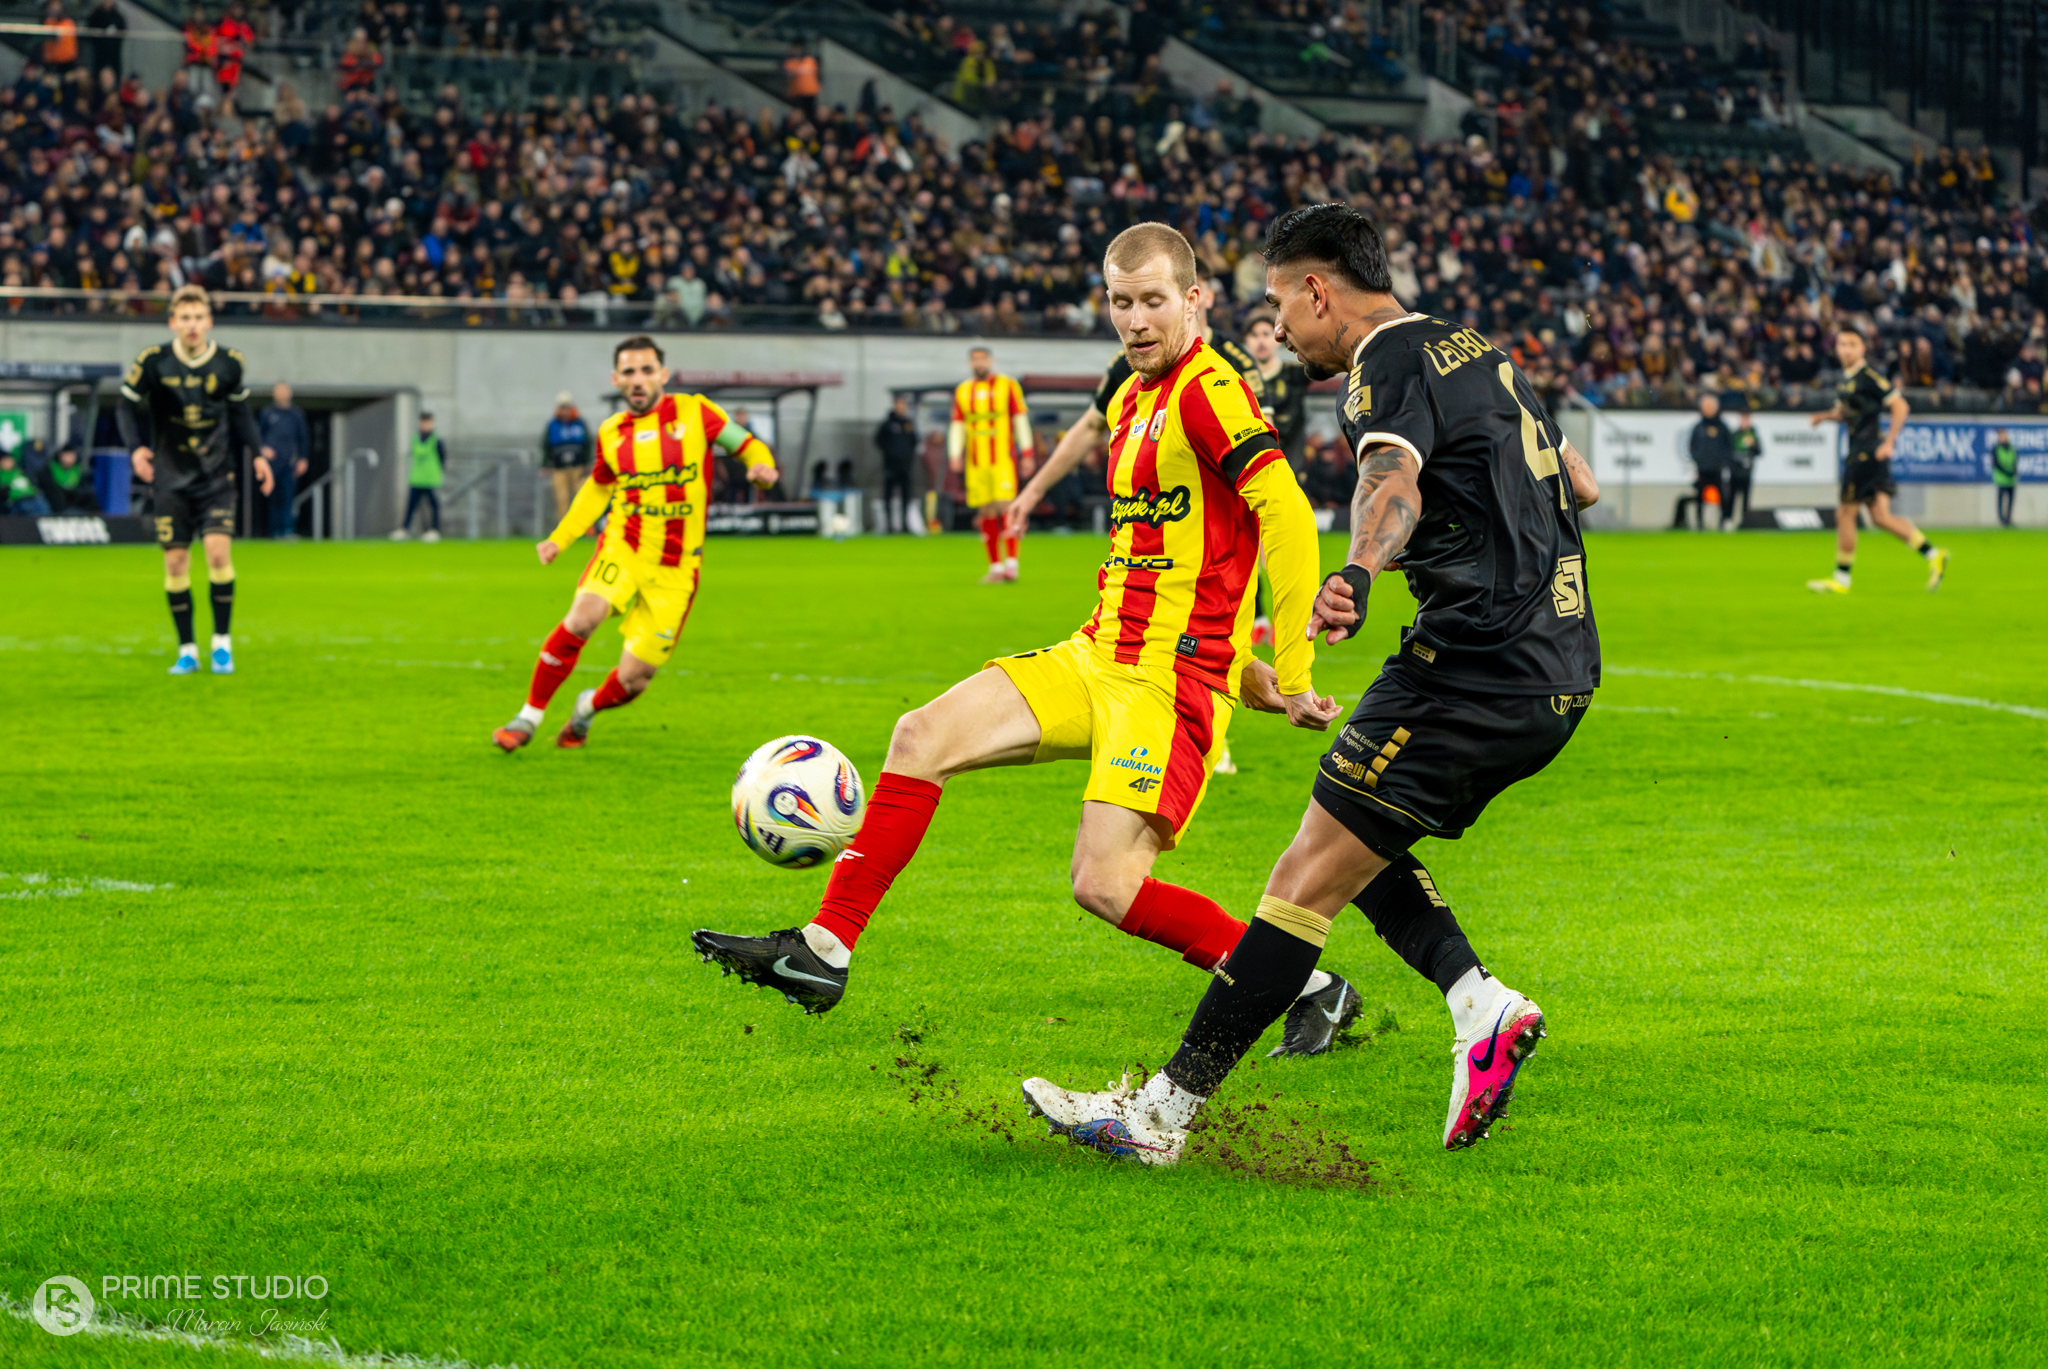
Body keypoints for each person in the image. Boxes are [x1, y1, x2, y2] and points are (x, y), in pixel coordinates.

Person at [1021, 203, 1603, 1164]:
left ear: (1320, 290)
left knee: (1300, 882)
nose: (1279, 329)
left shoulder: (1381, 366)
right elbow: (1578, 483)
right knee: (1349, 829)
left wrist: (1361, 569)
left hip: (1475, 664)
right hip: (1561, 663)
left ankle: (1161, 1116)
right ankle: (1479, 1003)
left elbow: (1391, 479)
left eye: (1282, 303)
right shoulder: (1477, 350)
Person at [692, 224, 1358, 1053]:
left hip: (1162, 686)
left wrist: (1291, 666)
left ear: (1194, 300)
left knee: (1105, 884)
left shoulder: (1207, 390)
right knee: (920, 735)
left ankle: (1311, 985)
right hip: (1099, 652)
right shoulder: (1132, 398)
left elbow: (1285, 511)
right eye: (1120, 302)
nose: (1136, 320)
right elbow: (1186, 563)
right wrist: (1249, 672)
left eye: (1154, 301)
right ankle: (824, 950)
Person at [492, 335, 777, 752]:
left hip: (677, 568)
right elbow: (597, 488)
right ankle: (528, 717)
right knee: (582, 618)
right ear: (617, 379)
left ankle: (586, 708)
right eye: (629, 371)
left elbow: (747, 445)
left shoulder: (696, 412)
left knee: (634, 679)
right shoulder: (612, 432)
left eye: (647, 370)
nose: (638, 379)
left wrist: (761, 466)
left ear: (663, 374)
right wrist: (560, 538)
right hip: (624, 549)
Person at [119, 284, 273, 675]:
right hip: (170, 478)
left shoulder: (229, 363)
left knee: (218, 554)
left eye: (198, 318)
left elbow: (241, 413)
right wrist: (136, 449)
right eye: (185, 318)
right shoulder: (153, 362)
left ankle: (221, 643)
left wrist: (258, 455)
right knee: (176, 563)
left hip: (216, 477)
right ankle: (187, 649)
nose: (192, 325)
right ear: (173, 322)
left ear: (209, 322)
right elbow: (124, 405)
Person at [1806, 328, 1949, 594]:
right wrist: (1824, 417)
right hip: (1866, 451)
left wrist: (1890, 442)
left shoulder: (1869, 377)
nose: (1846, 349)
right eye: (1842, 344)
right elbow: (1845, 413)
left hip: (1867, 452)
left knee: (1845, 513)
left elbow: (1901, 406)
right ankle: (1933, 555)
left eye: (1852, 344)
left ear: (1862, 348)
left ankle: (1841, 579)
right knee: (1881, 517)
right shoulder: (1846, 380)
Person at [949, 346, 1034, 582]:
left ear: (990, 361)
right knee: (985, 510)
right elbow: (957, 424)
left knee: (1006, 506)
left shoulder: (1007, 385)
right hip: (976, 462)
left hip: (1002, 459)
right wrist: (954, 453)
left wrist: (1027, 452)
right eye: (975, 359)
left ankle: (1012, 564)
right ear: (970, 363)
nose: (979, 363)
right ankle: (995, 567)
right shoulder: (963, 390)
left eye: (983, 359)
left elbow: (1020, 419)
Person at [258, 381, 309, 539]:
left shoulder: (296, 414)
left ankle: (287, 530)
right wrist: (263, 449)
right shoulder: (267, 413)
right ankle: (274, 532)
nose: (282, 394)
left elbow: (303, 437)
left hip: (289, 463)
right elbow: (257, 435)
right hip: (272, 464)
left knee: (287, 497)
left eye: (284, 390)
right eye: (279, 391)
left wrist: (303, 458)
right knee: (272, 497)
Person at [392, 413, 447, 541]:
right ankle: (404, 529)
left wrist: (439, 473)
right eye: (423, 422)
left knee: (433, 505)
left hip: (430, 478)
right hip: (417, 477)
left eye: (428, 422)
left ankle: (434, 530)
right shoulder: (416, 438)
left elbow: (442, 458)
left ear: (432, 423)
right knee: (411, 505)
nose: (425, 425)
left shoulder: (436, 440)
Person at [541, 391, 592, 524]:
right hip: (559, 468)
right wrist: (545, 464)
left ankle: (585, 525)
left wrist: (588, 462)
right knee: (561, 499)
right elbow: (545, 445)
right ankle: (564, 527)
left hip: (578, 467)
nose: (565, 410)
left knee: (582, 496)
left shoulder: (579, 423)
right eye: (562, 407)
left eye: (567, 407)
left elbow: (588, 443)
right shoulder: (553, 425)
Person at [1687, 392, 1734, 531]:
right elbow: (1692, 447)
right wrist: (1698, 461)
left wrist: (1725, 463)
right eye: (1706, 406)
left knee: (1723, 497)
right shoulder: (1698, 427)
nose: (1708, 409)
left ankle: (1723, 522)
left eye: (1711, 406)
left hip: (1718, 469)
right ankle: (1699, 524)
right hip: (1702, 469)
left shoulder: (1722, 427)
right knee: (1699, 498)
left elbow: (1728, 447)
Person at [875, 393, 918, 533]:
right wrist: (890, 452)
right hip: (890, 466)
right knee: (888, 495)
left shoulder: (908, 423)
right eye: (899, 404)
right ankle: (888, 525)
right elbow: (878, 441)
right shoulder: (887, 423)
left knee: (906, 495)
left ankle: (905, 524)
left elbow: (914, 441)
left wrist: (907, 455)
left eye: (903, 405)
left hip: (906, 466)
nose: (901, 407)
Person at [39, 445, 100, 513]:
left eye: (72, 455)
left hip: (74, 497)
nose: (69, 458)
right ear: (60, 455)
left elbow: (83, 485)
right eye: (66, 455)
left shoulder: (78, 469)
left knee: (89, 495)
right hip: (58, 498)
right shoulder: (50, 468)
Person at [1728, 404, 1760, 527]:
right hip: (1735, 471)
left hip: (1747, 471)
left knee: (1746, 499)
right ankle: (1728, 520)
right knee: (1732, 497)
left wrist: (1753, 445)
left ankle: (1745, 521)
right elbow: (1729, 451)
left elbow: (1759, 452)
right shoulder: (1736, 434)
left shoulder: (1753, 434)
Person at [2, 449, 51, 515]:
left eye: (9, 460)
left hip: (34, 496)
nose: (8, 462)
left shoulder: (20, 471)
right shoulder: (2, 475)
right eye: (4, 461)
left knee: (43, 505)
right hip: (18, 499)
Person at [782, 44, 819, 122]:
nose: (796, 52)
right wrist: (799, 70)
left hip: (810, 92)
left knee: (811, 113)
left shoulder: (809, 60)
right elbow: (790, 71)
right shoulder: (790, 62)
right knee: (798, 114)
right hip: (797, 93)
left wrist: (797, 70)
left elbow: (807, 70)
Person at [1991, 427, 2018, 527]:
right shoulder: (1996, 449)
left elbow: (2015, 461)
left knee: (2010, 501)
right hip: (2001, 479)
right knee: (2001, 501)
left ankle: (2008, 520)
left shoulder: (2011, 448)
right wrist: (2007, 472)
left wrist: (2013, 472)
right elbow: (1996, 464)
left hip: (2011, 479)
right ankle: (2002, 520)